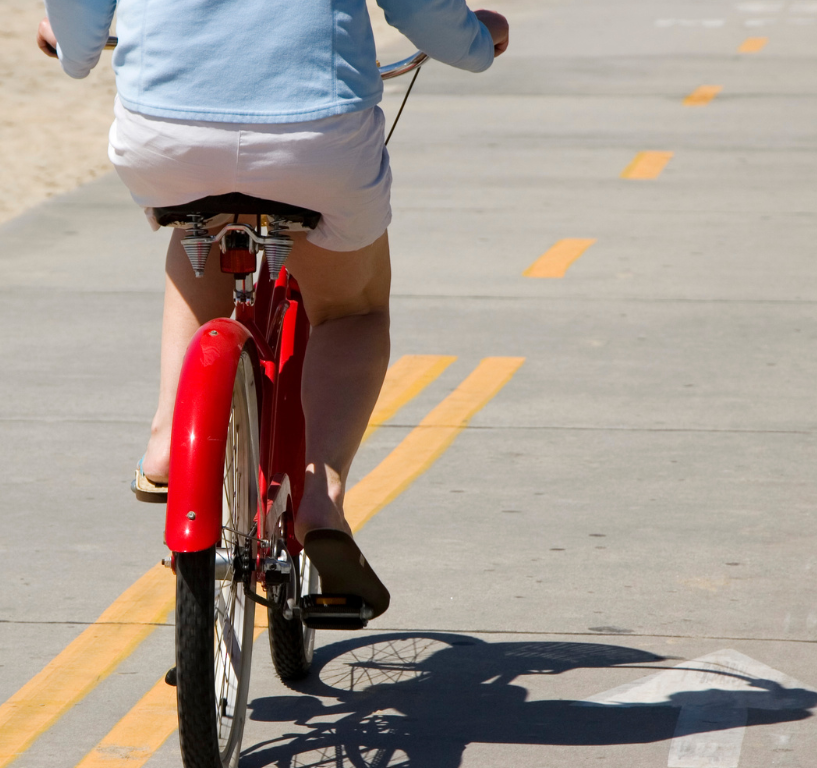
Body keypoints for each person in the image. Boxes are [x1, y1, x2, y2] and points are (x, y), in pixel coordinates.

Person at [38, 0, 508, 618]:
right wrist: (476, 40)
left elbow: (76, 17)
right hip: (314, 139)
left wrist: (70, 47)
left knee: (197, 220)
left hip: (166, 135)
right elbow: (424, 12)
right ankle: (321, 494)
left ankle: (164, 440)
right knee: (352, 312)